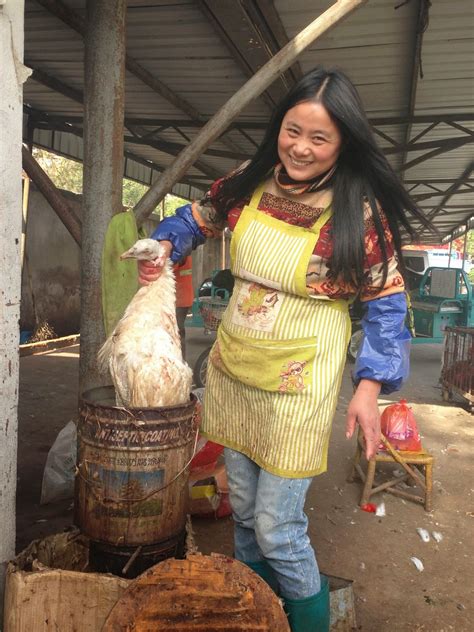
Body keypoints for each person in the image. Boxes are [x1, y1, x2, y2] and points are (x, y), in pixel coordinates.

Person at [138, 67, 428, 632]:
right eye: (292, 130)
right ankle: (259, 615)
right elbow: (198, 218)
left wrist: (369, 388)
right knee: (244, 514)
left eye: (319, 138)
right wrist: (165, 242)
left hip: (302, 377)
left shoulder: (359, 211)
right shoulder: (250, 179)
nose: (300, 147)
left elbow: (389, 304)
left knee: (277, 526)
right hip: (235, 362)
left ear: (343, 141)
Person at [171, 255, 193, 357]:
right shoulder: (184, 251)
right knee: (178, 329)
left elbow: (170, 267)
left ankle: (179, 358)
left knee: (177, 329)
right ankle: (181, 357)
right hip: (183, 296)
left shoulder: (180, 254)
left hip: (180, 298)